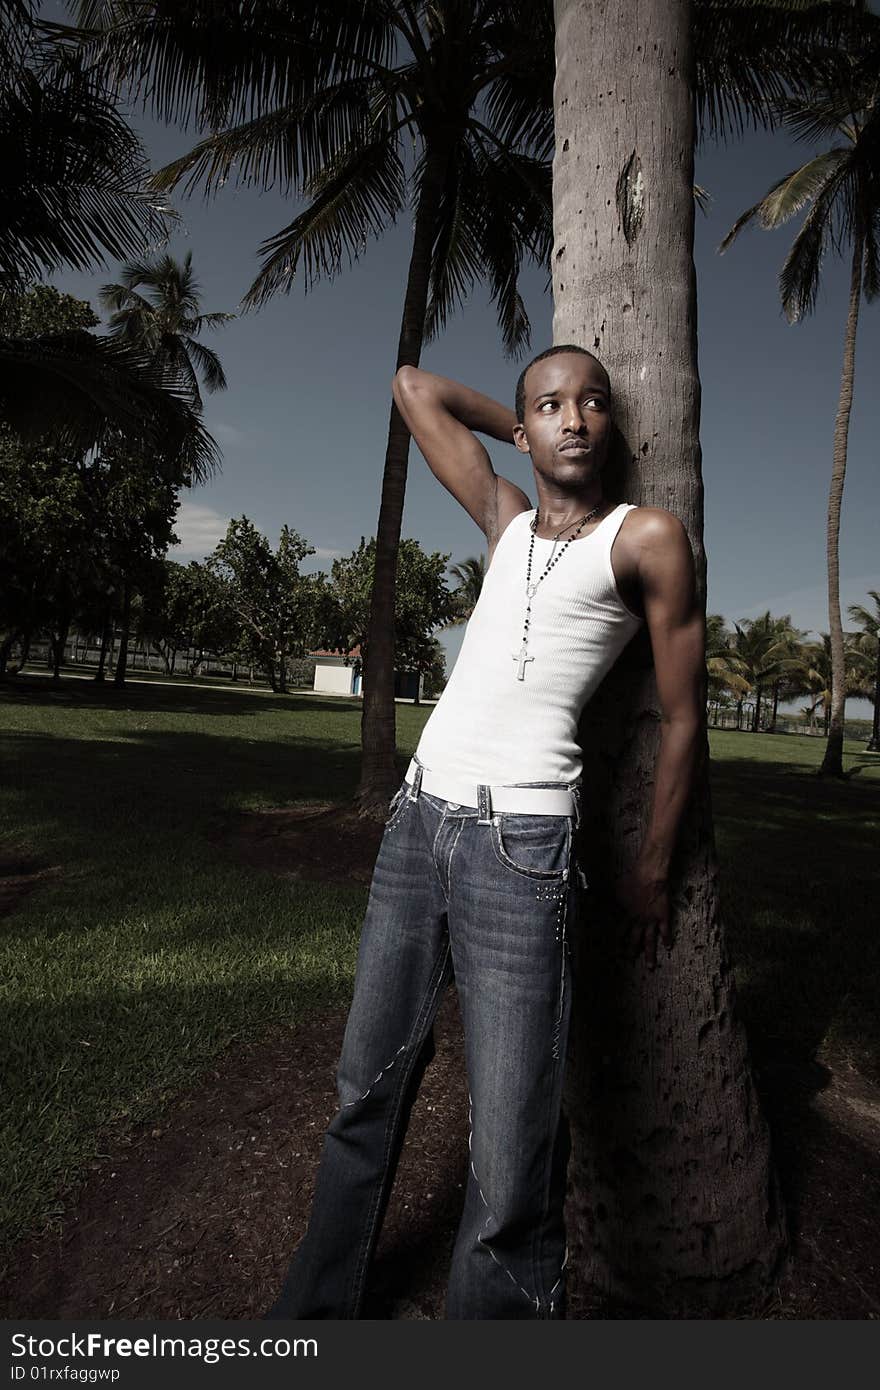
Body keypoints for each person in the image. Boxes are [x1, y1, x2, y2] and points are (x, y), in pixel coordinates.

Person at [268, 344, 705, 1320]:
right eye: (549, 405)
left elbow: (682, 717)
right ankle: (312, 1319)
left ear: (615, 428)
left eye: (593, 402)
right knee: (363, 1092)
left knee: (510, 1158)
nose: (575, 418)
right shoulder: (503, 521)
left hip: (522, 850)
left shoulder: (645, 539)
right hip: (417, 824)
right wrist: (508, 417)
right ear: (524, 428)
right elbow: (413, 389)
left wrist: (650, 865)